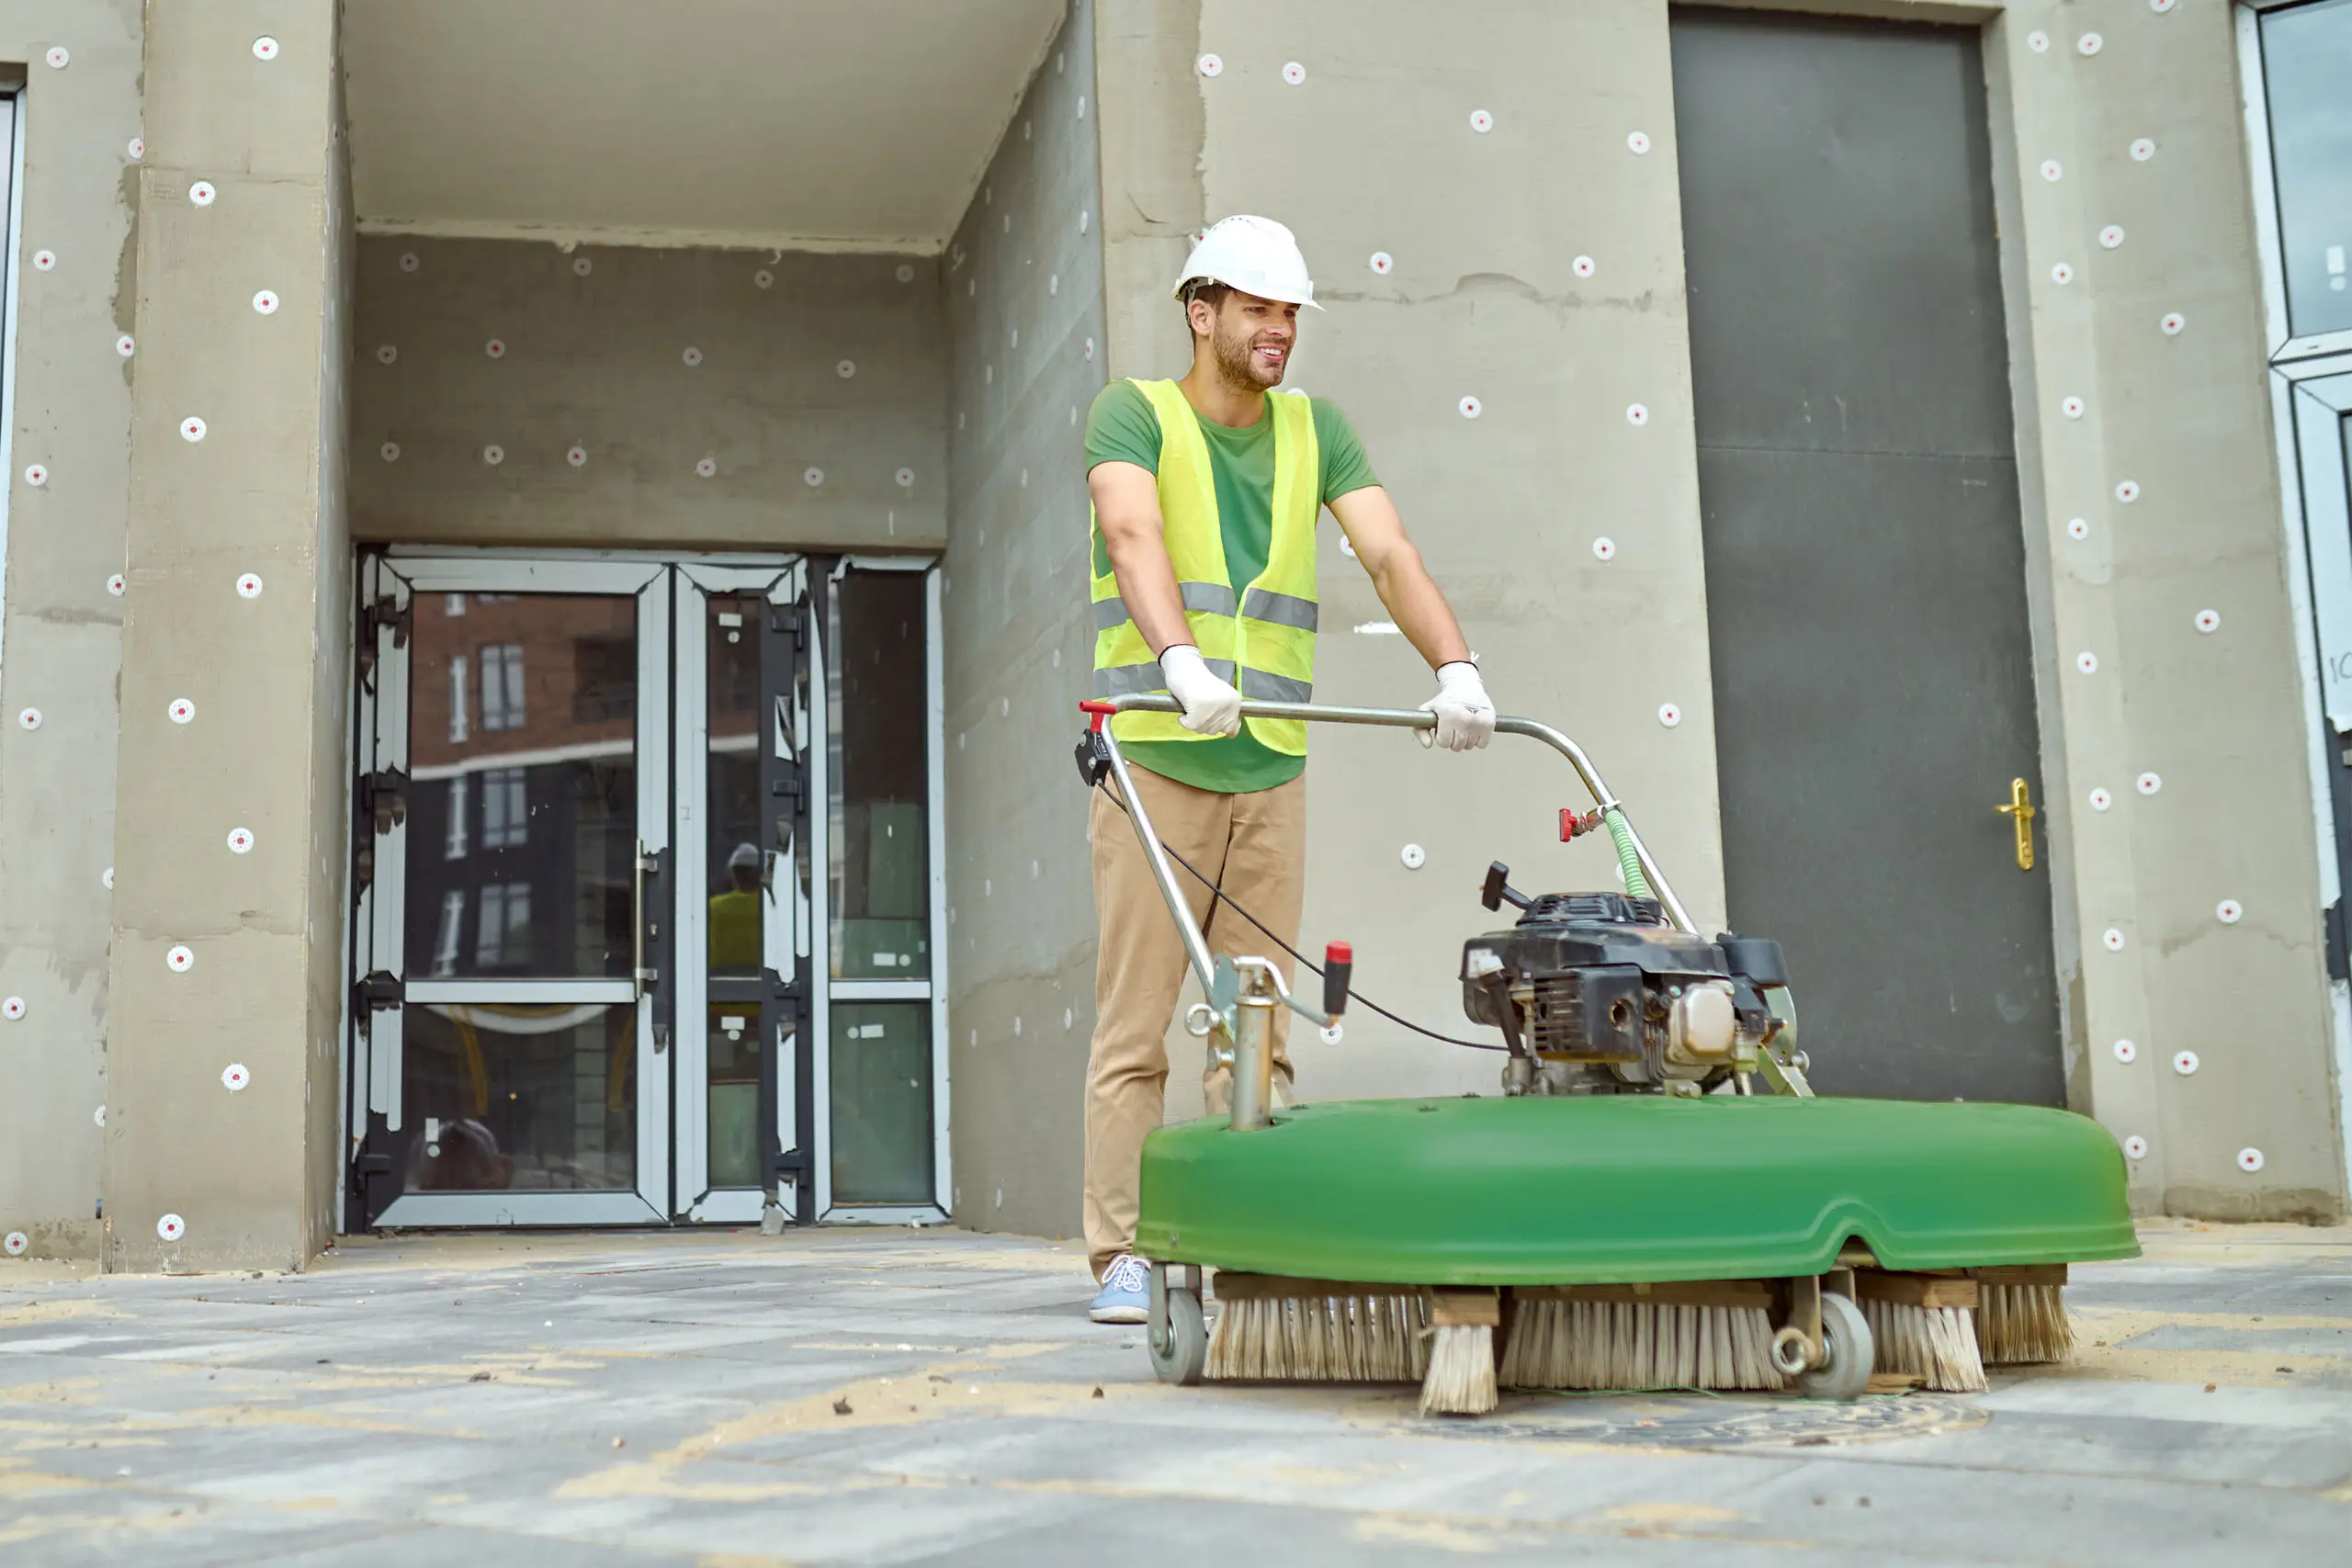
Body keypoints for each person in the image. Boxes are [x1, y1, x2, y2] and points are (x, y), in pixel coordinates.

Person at [1081, 214, 1496, 1323]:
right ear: (1200, 312)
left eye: (1289, 313)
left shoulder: (1318, 431)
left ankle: (1247, 1240)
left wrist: (1455, 668)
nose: (1277, 329)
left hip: (1267, 765)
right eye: (1257, 309)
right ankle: (1121, 1255)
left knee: (1254, 1019)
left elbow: (1387, 552)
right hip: (1158, 758)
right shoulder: (1134, 413)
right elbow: (1132, 536)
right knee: (1136, 1025)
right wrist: (1176, 661)